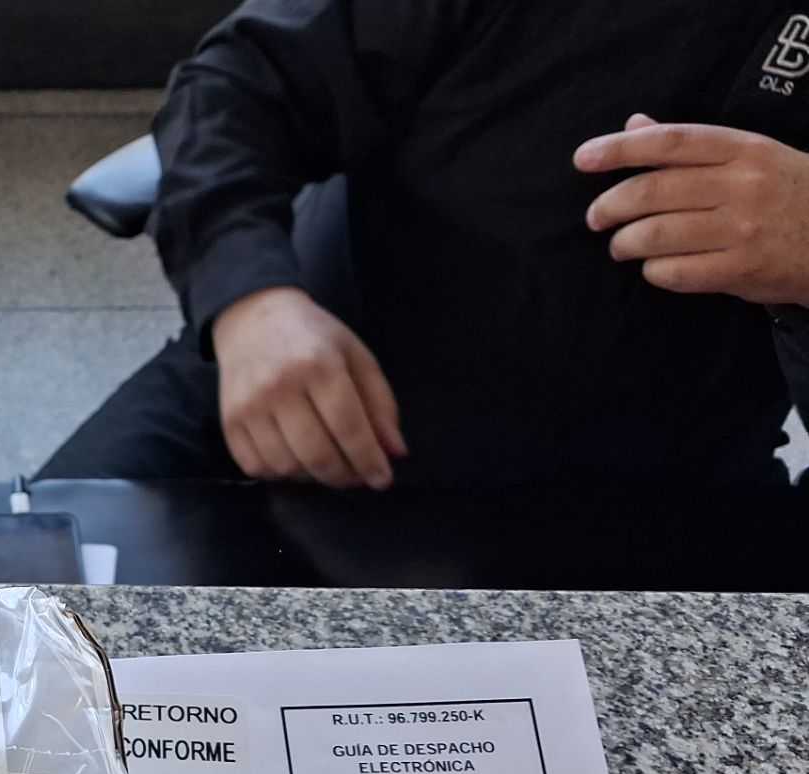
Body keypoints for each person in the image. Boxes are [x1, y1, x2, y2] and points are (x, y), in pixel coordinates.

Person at [40, 0, 809, 488]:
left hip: (661, 488)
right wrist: (249, 301)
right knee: (20, 644)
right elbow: (238, 83)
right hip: (307, 379)